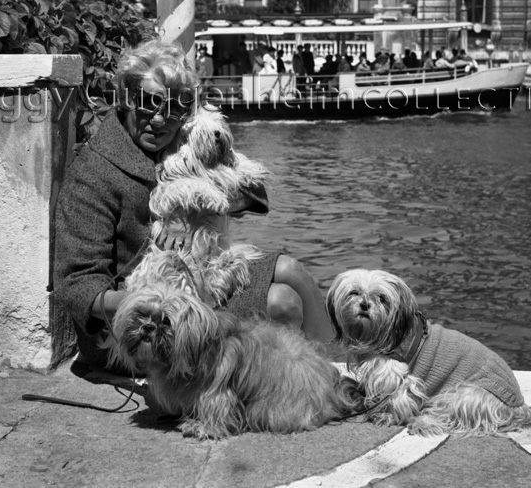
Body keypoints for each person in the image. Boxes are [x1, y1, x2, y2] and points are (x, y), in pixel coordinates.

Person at [53, 39, 334, 378]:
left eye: (174, 108)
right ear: (126, 99)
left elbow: (253, 190)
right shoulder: (93, 172)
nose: (160, 119)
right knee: (283, 303)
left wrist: (199, 206)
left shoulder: (181, 142)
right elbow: (77, 286)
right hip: (143, 322)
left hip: (202, 277)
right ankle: (304, 383)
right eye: (148, 103)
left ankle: (336, 370)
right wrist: (159, 302)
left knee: (292, 269)